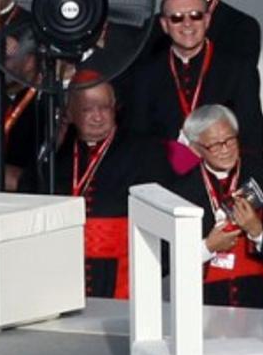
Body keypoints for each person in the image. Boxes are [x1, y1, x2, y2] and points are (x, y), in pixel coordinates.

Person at [26, 72, 173, 298]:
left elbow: (161, 218)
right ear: (70, 113)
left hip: (124, 272)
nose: (98, 117)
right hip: (63, 270)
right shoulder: (56, 157)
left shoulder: (145, 151)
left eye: (105, 108)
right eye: (87, 110)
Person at [168, 105, 263, 309]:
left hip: (260, 292)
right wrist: (208, 247)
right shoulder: (181, 188)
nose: (225, 149)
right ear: (195, 148)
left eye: (230, 139)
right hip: (203, 293)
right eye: (215, 145)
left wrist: (258, 232)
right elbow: (166, 256)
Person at [131, 0, 263, 158]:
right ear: (164, 25)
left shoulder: (238, 69)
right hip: (162, 169)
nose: (187, 24)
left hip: (222, 169)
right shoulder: (145, 75)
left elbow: (251, 136)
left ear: (207, 20)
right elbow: (137, 138)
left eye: (196, 16)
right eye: (177, 18)